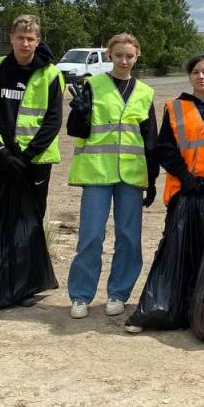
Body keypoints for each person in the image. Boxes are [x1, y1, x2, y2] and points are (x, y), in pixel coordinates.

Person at [124, 53, 204, 334]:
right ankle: (162, 310)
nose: (202, 77)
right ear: (190, 76)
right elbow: (165, 149)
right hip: (182, 193)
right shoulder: (174, 108)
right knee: (174, 253)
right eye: (196, 72)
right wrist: (185, 178)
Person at [0, 14, 64, 307]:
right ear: (10, 38)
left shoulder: (51, 74)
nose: (25, 43)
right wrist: (0, 150)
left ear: (38, 41)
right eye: (20, 37)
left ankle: (24, 286)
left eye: (31, 38)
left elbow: (53, 121)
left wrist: (26, 156)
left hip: (33, 163)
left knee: (28, 224)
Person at [66, 32, 158, 319]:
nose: (124, 60)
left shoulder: (145, 93)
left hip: (131, 175)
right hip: (97, 173)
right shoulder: (92, 86)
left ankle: (118, 293)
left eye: (129, 56)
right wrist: (78, 113)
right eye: (118, 55)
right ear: (109, 55)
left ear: (137, 56)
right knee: (91, 236)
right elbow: (75, 130)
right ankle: (81, 296)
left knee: (129, 238)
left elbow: (149, 138)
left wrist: (152, 178)